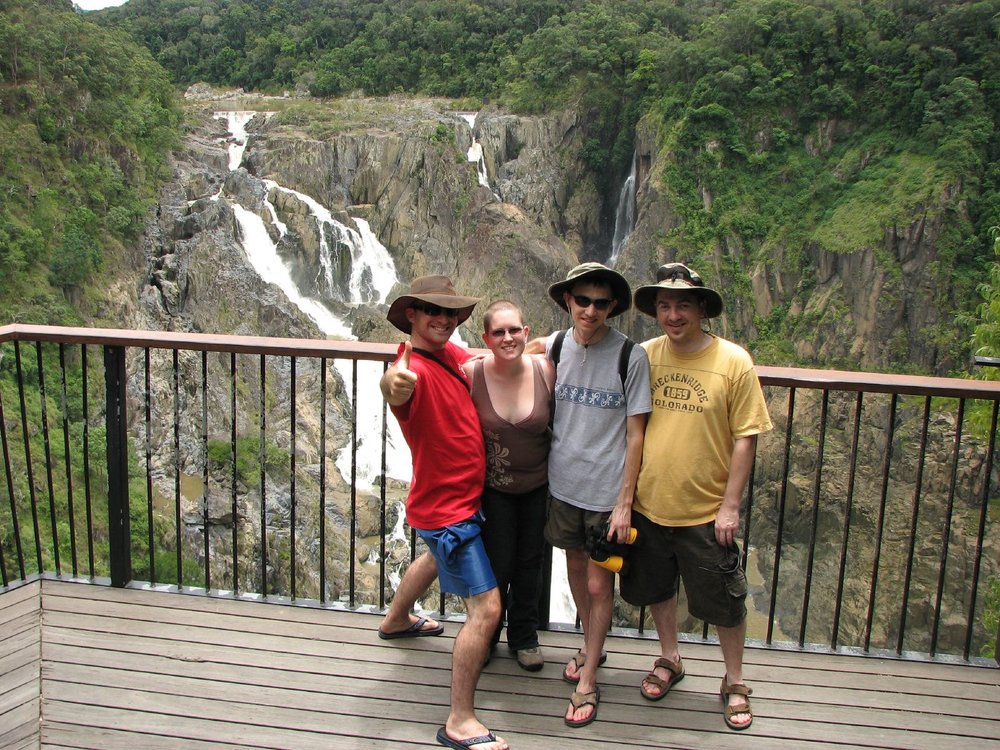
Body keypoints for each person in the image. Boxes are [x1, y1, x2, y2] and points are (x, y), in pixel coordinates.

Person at [621, 262, 773, 731]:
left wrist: (730, 505)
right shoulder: (645, 355)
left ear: (701, 308)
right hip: (649, 504)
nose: (673, 314)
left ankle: (734, 680)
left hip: (706, 511)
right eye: (664, 305)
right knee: (659, 591)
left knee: (725, 600)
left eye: (683, 304)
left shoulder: (733, 361)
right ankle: (670, 658)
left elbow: (746, 436)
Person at [377, 275, 507, 750]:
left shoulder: (446, 354)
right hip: (449, 512)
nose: (444, 319)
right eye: (433, 310)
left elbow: (481, 359)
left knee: (432, 558)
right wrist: (391, 384)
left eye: (451, 313)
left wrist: (541, 347)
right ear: (411, 314)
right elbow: (395, 386)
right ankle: (460, 719)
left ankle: (395, 620)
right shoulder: (411, 368)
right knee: (486, 610)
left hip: (445, 504)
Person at [541, 262, 651, 728]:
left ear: (613, 308)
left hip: (607, 495)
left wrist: (625, 501)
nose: (590, 310)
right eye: (582, 300)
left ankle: (588, 679)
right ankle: (590, 647)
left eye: (600, 303)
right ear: (568, 301)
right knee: (573, 572)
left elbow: (637, 434)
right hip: (563, 486)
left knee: (597, 583)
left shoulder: (630, 356)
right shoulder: (556, 345)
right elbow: (509, 355)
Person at [461, 300, 555, 672]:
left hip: (539, 485)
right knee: (496, 564)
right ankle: (487, 633)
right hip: (493, 489)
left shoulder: (546, 370)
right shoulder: (470, 375)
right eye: (498, 332)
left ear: (526, 332)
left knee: (531, 562)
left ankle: (524, 635)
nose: (508, 337)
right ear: (485, 338)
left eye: (514, 330)